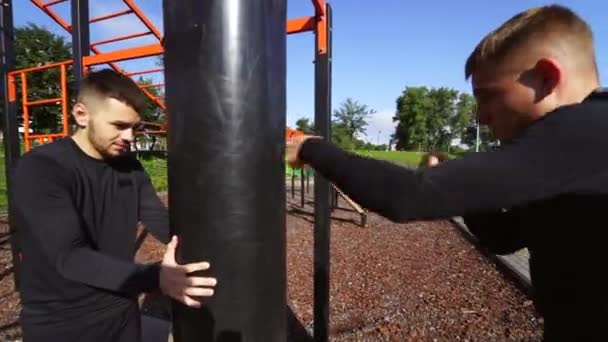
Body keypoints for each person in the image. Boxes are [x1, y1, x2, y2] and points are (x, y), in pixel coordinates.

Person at [287, 5, 608, 341]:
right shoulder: (576, 158)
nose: (482, 118)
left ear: (546, 77)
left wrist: (313, 148)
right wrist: (461, 193)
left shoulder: (587, 129)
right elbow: (505, 236)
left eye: (489, 97)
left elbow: (407, 196)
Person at [11, 69, 217, 341]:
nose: (130, 137)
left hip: (122, 309)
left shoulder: (130, 168)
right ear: (81, 115)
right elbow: (69, 257)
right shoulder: (41, 168)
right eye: (119, 125)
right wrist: (158, 277)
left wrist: (215, 243)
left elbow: (160, 220)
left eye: (134, 127)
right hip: (62, 321)